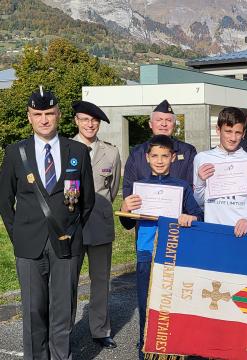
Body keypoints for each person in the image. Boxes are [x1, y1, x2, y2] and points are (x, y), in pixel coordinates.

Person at [0, 87, 95, 360]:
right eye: (38, 114)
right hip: (28, 245)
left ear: (59, 115)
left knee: (63, 311)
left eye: (49, 113)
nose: (44, 119)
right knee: (33, 311)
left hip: (66, 243)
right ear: (29, 117)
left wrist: (71, 229)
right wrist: (18, 234)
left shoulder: (77, 150)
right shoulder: (16, 152)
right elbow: (4, 201)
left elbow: (85, 201)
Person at [119, 135, 203, 360]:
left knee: (171, 308)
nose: (159, 160)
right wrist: (125, 207)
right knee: (147, 306)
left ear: (173, 158)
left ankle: (173, 352)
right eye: (154, 156)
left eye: (164, 156)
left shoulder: (182, 187)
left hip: (173, 256)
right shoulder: (139, 188)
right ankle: (146, 352)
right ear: (147, 158)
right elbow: (127, 222)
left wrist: (190, 217)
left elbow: (198, 215)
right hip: (147, 255)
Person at [72, 100, 121, 349]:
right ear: (76, 121)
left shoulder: (111, 152)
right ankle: (64, 329)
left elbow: (111, 190)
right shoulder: (64, 149)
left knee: (100, 280)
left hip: (99, 224)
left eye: (94, 120)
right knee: (67, 281)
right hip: (71, 226)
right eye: (84, 119)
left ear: (98, 123)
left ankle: (100, 330)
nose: (89, 124)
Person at [193, 107, 247, 235]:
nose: (233, 137)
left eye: (238, 132)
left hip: (242, 233)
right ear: (218, 130)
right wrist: (200, 181)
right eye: (228, 131)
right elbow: (199, 203)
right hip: (212, 232)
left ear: (243, 134)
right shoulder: (202, 158)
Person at [123, 99, 196, 197]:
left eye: (168, 120)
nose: (164, 124)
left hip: (179, 211)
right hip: (144, 210)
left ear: (174, 125)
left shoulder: (188, 152)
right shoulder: (137, 153)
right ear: (150, 124)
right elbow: (128, 187)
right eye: (159, 120)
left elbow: (192, 186)